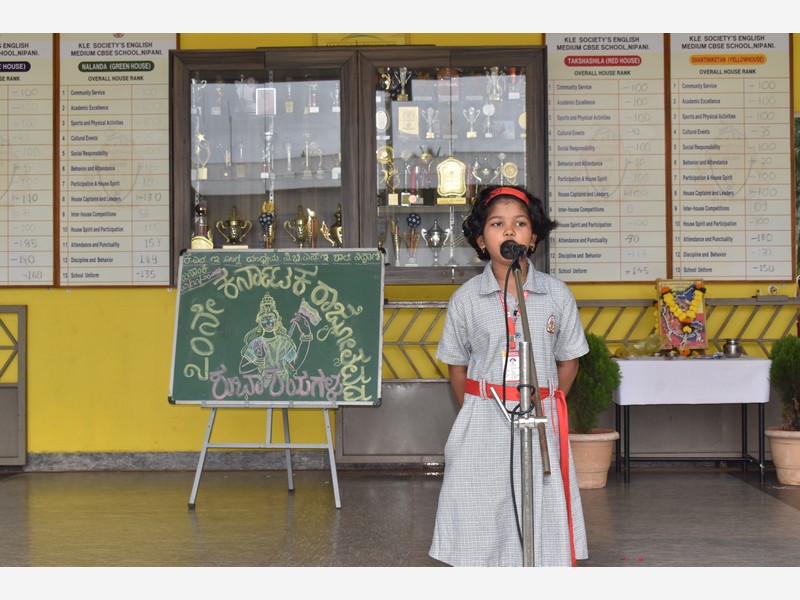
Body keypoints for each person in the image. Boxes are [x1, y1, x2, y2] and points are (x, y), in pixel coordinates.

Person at [429, 184, 589, 567]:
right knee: (482, 506)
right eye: (497, 224)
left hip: (540, 417)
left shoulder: (556, 295)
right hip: (485, 415)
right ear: (482, 240)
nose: (509, 231)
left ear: (533, 237)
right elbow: (456, 367)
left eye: (520, 224)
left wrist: (547, 401)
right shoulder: (466, 299)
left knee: (540, 504)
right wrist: (476, 407)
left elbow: (569, 361)